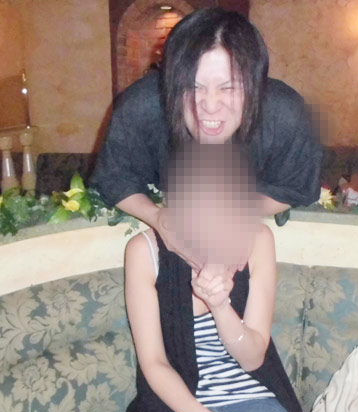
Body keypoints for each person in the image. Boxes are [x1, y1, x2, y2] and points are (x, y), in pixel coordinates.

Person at [125, 142, 305, 412]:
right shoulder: (144, 253)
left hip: (258, 407)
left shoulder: (256, 241)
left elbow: (253, 357)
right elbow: (154, 363)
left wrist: (220, 306)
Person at [90, 8, 322, 265]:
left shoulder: (285, 113)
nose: (210, 106)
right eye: (192, 86)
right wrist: (157, 217)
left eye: (229, 87)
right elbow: (114, 177)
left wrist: (232, 214)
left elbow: (296, 186)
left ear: (255, 85)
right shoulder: (141, 105)